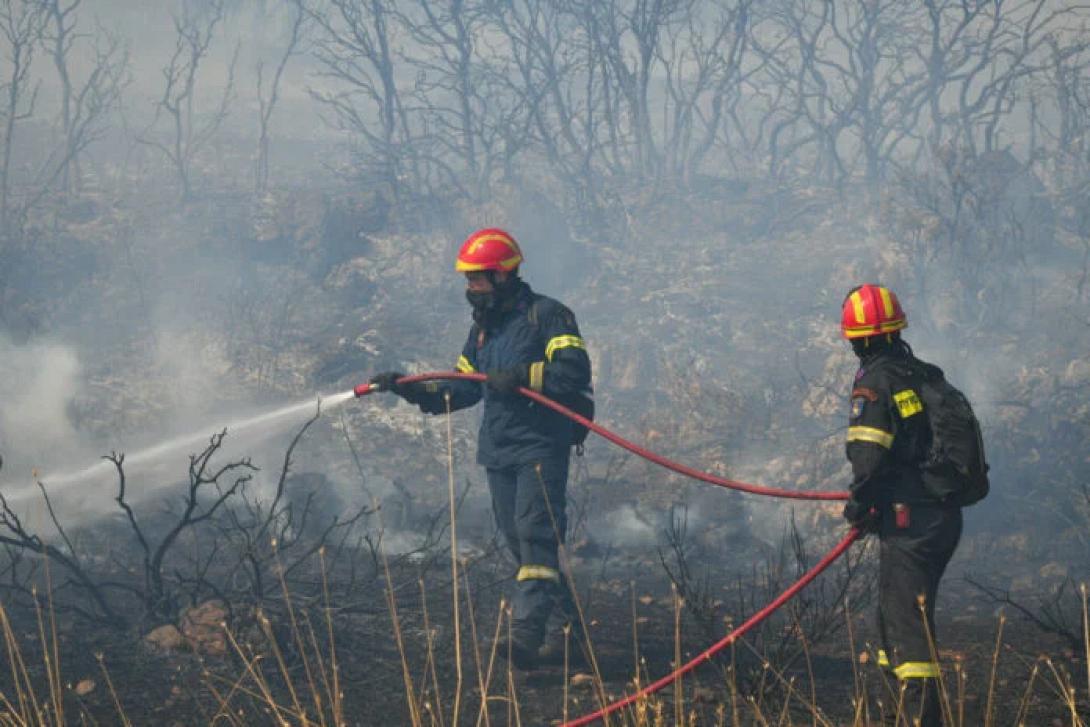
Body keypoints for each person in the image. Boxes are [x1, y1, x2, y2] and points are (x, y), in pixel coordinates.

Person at [369, 227, 593, 670]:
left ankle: (526, 634)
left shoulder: (548, 316)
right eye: (468, 280)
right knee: (523, 547)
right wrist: (409, 389)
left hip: (540, 446)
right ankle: (567, 634)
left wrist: (523, 375)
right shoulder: (484, 330)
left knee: (536, 538)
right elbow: (463, 387)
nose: (471, 288)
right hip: (499, 452)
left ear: (503, 275)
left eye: (477, 279)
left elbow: (573, 374)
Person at [841, 283, 961, 726]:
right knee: (896, 623)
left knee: (906, 631)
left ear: (861, 339)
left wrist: (858, 507)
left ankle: (919, 721)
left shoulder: (874, 384)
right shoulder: (924, 372)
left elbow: (868, 458)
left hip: (910, 522)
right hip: (941, 516)